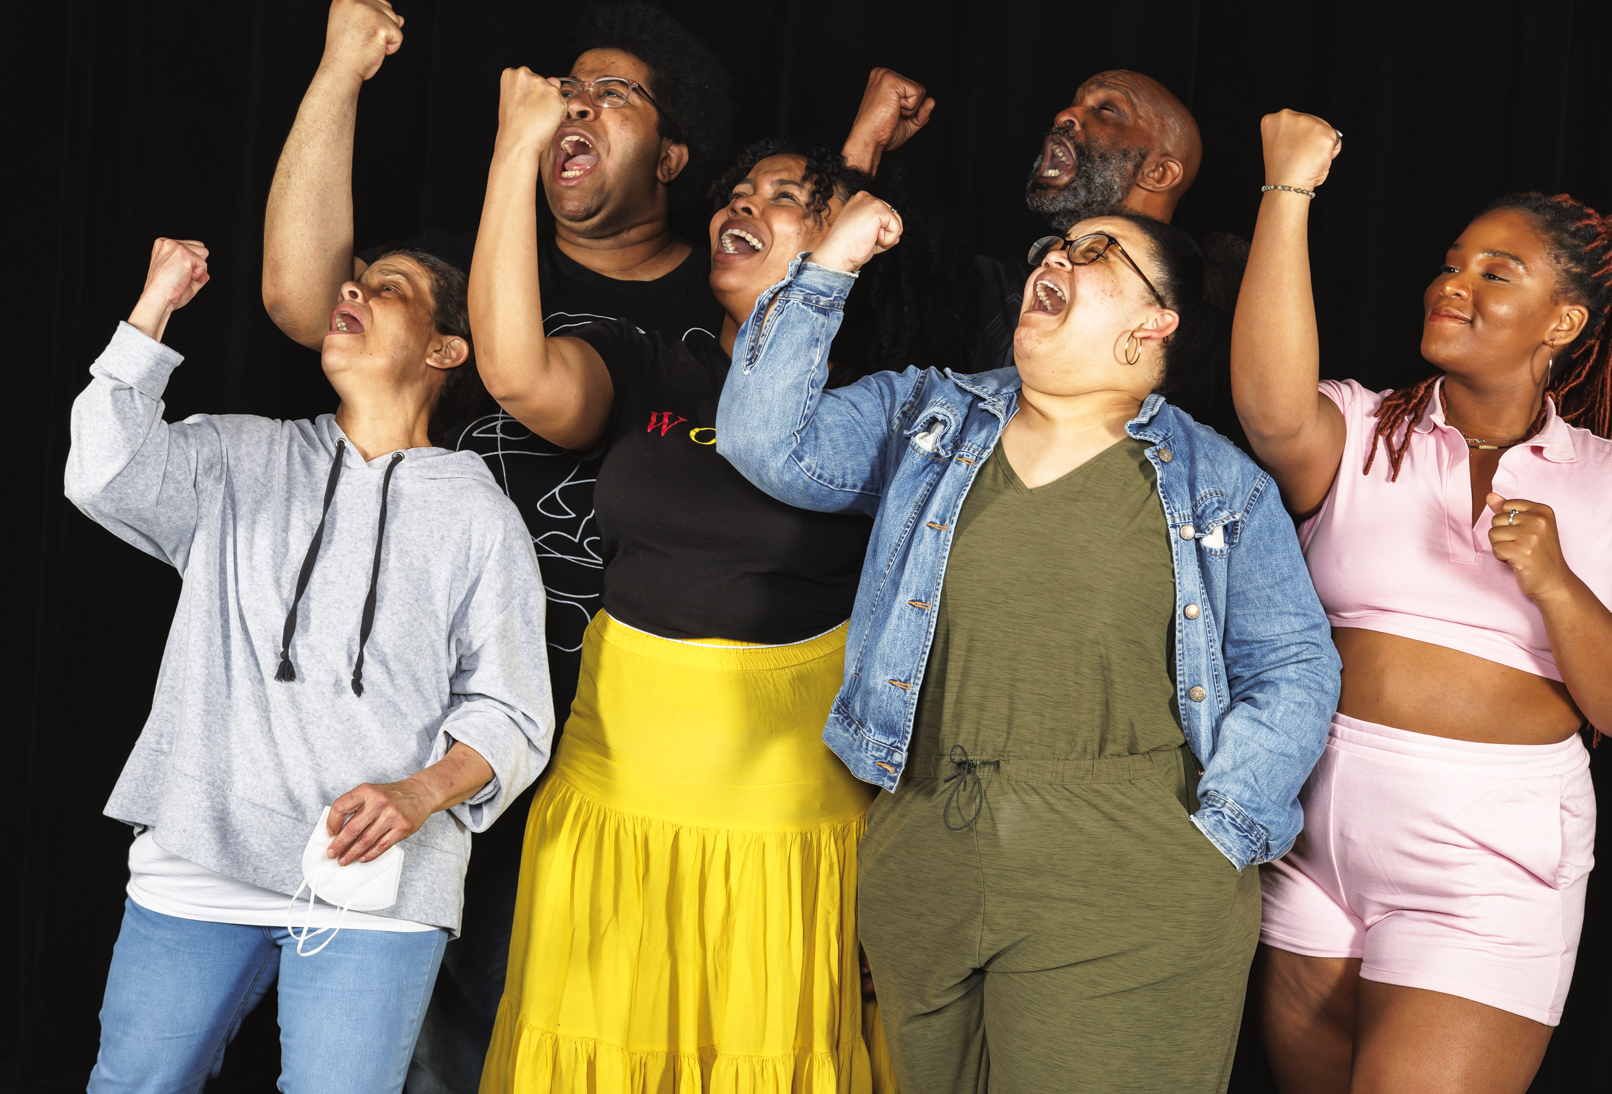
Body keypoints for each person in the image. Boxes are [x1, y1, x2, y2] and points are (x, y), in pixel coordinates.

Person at [716, 195, 1342, 1092]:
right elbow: (764, 441)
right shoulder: (928, 417)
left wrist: (1217, 834)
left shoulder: (1217, 484)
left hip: (1128, 870)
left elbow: (1293, 664)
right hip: (927, 847)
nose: (1056, 255)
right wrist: (831, 263)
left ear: (1152, 324)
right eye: (1053, 243)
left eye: (1094, 252)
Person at [260, 0, 735, 1093]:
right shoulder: (456, 265)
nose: (574, 108)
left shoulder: (706, 313)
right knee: (405, 1038)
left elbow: (536, 390)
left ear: (672, 157)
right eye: (565, 92)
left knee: (549, 1036)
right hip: (416, 719)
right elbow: (296, 298)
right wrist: (339, 72)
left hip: (609, 744)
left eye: (612, 99)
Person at [465, 58, 972, 1090]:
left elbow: (833, 266)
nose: (746, 203)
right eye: (740, 193)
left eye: (786, 199)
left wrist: (853, 169)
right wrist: (515, 146)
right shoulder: (654, 361)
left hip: (785, 833)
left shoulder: (881, 415)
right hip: (612, 807)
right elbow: (516, 373)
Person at [1231, 112, 1612, 1093]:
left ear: (1561, 324)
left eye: (1497, 272)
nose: (1453, 283)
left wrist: (1556, 585)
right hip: (1311, 835)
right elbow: (1273, 411)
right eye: (1452, 263)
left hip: (1484, 859)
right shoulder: (1362, 428)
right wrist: (1289, 193)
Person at [68, 237, 553, 1094]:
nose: (352, 292)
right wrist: (154, 311)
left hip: (377, 888)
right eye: (352, 283)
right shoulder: (236, 456)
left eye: (388, 289)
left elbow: (513, 712)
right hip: (199, 856)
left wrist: (417, 794)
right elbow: (101, 472)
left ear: (446, 350)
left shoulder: (480, 515)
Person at [842, 66, 1244, 431]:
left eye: (1107, 109)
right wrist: (866, 144)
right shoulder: (1002, 291)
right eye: (1075, 101)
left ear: (1159, 172)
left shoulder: (1220, 331)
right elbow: (843, 277)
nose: (1065, 114)